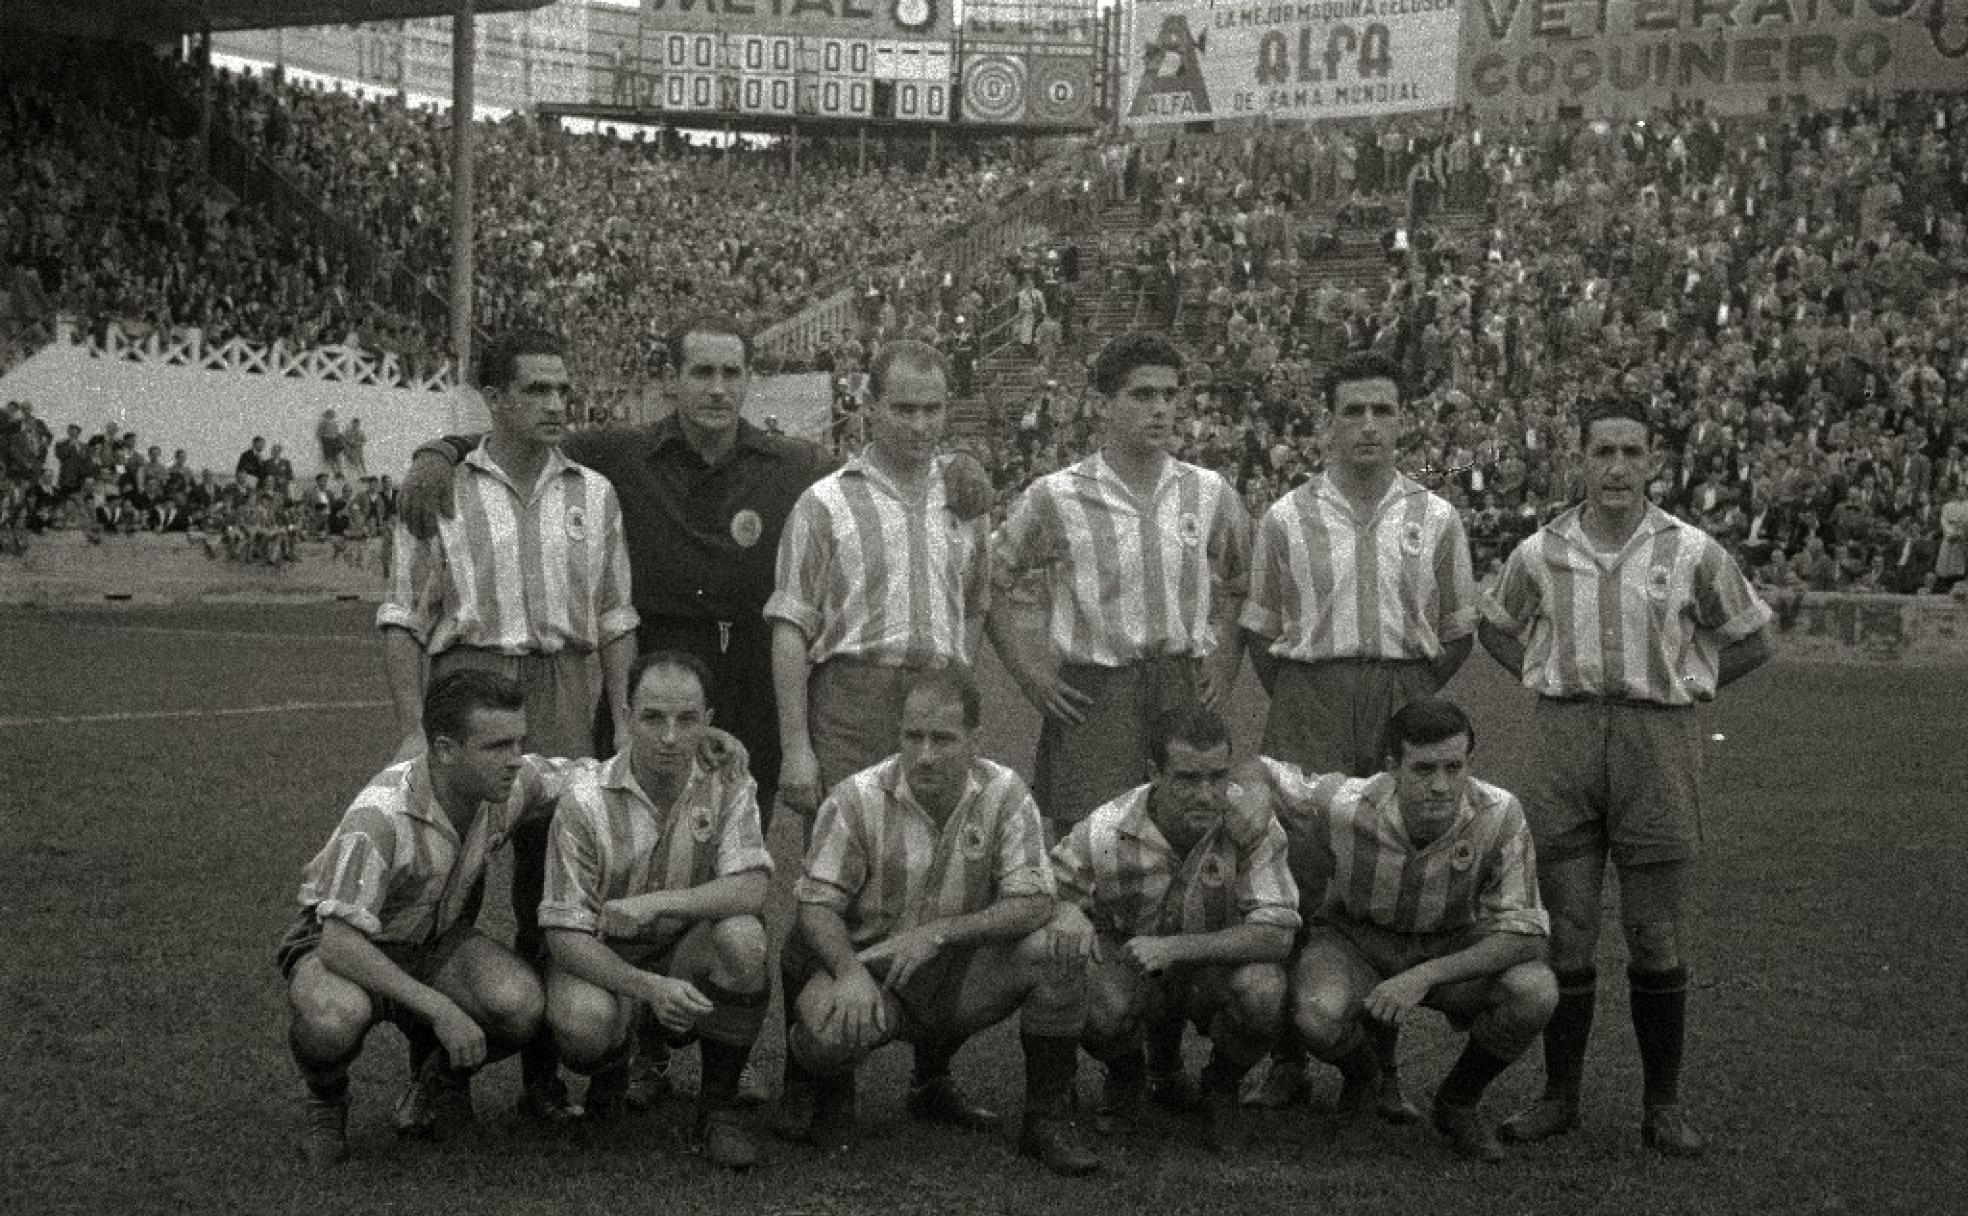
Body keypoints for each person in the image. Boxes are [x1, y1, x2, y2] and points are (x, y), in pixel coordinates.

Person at [1478, 400, 1773, 1158]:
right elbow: (1495, 626)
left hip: (1657, 743)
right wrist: (1542, 678)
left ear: (1653, 464)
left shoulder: (1693, 550)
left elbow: (1753, 635)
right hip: (1566, 740)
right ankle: (1559, 1097)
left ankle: (1663, 1105)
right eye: (1603, 451)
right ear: (1579, 460)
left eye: (1632, 453)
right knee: (1568, 930)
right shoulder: (1539, 553)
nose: (1617, 468)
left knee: (1653, 930)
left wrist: (1694, 685)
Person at [379, 328, 640, 1124]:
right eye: (537, 390)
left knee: (554, 887)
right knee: (444, 889)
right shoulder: (440, 488)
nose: (556, 404)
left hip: (561, 692)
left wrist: (621, 713)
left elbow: (615, 614)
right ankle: (438, 1070)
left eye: (563, 389)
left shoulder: (594, 492)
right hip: (468, 687)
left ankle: (541, 1077)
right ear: (494, 399)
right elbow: (399, 616)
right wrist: (413, 729)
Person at [1240, 350, 1478, 1115]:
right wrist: (1315, 692)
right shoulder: (1285, 516)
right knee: (1298, 872)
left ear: (1402, 419)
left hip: (1402, 692)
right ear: (1327, 421)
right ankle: (1287, 1058)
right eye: (1353, 411)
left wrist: (1404, 696)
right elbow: (1261, 631)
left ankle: (1382, 1065)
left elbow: (1456, 632)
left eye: (1382, 410)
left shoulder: (1437, 518)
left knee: (1392, 875)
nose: (1368, 425)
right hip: (1310, 690)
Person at [775, 668, 1100, 1176]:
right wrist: (850, 973)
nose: (925, 754)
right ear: (899, 733)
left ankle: (1046, 1120)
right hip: (877, 971)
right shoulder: (855, 798)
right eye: (913, 736)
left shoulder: (1006, 793)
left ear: (975, 739)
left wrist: (939, 934)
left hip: (962, 973)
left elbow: (1034, 901)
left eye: (943, 739)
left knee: (1055, 954)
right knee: (823, 1030)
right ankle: (825, 1088)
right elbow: (815, 906)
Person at [1252, 696, 1558, 1162]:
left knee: (1535, 992)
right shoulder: (1344, 801)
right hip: (1357, 938)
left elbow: (1528, 933)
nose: (1441, 785)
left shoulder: (1499, 812)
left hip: (1451, 943)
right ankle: (1366, 1074)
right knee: (1315, 1012)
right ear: (1392, 767)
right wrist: (1254, 803)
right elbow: (1258, 770)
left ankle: (1458, 1103)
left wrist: (1423, 976)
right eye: (1423, 769)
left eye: (1454, 767)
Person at [279, 671, 566, 1168]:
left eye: (519, 741)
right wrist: (441, 1009)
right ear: (447, 750)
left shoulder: (512, 784)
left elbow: (591, 776)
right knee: (332, 1014)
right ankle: (326, 1103)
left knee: (521, 1005)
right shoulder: (379, 818)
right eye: (497, 745)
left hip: (436, 944)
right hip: (350, 943)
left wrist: (699, 749)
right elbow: (338, 943)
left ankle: (434, 1084)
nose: (515, 758)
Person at [988, 331, 1251, 836]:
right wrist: (1031, 677)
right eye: (1142, 394)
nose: (1160, 409)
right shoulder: (1057, 495)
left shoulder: (1209, 491)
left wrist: (1224, 662)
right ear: (1102, 404)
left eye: (1170, 396)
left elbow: (1245, 581)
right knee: (1090, 842)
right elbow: (989, 580)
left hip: (1181, 685)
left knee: (1184, 832)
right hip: (1096, 694)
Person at [541, 651, 773, 1169]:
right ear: (627, 716)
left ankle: (717, 1112)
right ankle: (616, 1065)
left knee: (743, 938)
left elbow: (752, 888)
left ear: (709, 723)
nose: (669, 737)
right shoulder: (583, 800)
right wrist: (648, 989)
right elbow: (563, 936)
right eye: (652, 718)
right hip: (603, 955)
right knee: (583, 1025)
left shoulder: (729, 779)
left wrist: (655, 904)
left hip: (681, 948)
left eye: (686, 719)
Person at [1047, 706, 1297, 1150]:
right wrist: (1064, 910)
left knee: (1264, 992)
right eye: (1186, 778)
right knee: (1095, 999)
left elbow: (1277, 933)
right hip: (1131, 960)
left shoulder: (1252, 823)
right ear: (1154, 773)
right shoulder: (1106, 829)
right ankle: (1128, 1079)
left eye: (1217, 777)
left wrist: (1176, 949)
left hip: (1214, 964)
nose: (1206, 794)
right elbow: (1045, 891)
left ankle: (1222, 1087)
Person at [769, 339, 990, 821]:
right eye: (904, 409)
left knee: (938, 855)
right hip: (852, 702)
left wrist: (955, 683)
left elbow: (974, 608)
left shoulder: (964, 500)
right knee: (845, 852)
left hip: (937, 699)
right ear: (871, 408)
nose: (919, 424)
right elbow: (789, 628)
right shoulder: (824, 503)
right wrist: (797, 750)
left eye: (932, 409)